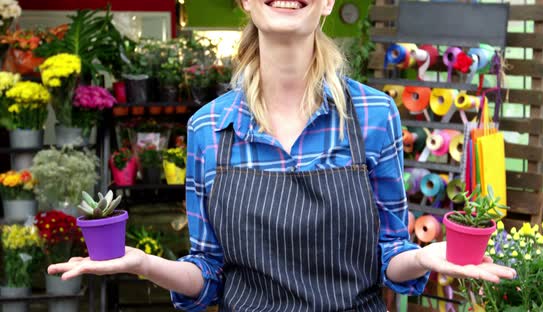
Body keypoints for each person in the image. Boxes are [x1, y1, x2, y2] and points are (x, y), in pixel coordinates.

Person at [48, 0, 516, 310]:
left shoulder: (374, 115)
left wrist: (424, 258)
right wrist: (143, 264)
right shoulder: (210, 128)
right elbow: (207, 271)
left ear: (328, 2)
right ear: (246, 2)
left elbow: (390, 257)